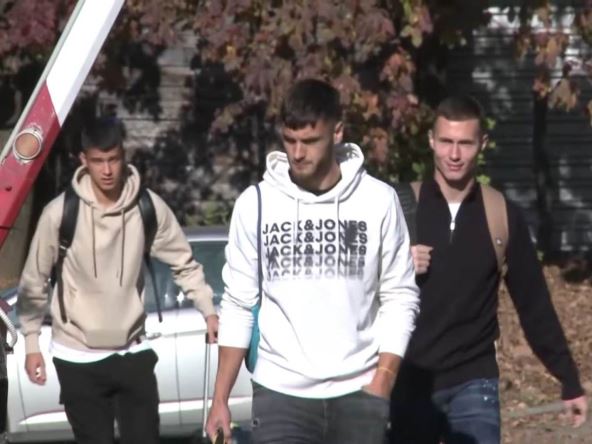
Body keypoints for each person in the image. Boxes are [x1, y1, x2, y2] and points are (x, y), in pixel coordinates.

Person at [205, 78, 420, 444]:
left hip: (359, 392)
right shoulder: (256, 204)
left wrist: (383, 380)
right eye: (290, 140)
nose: (298, 153)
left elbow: (400, 297)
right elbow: (239, 304)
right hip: (280, 395)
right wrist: (220, 399)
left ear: (337, 132)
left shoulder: (378, 201)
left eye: (309, 141)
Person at [389, 95, 588, 443]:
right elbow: (355, 288)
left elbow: (534, 305)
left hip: (474, 382)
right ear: (431, 141)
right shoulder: (398, 206)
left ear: (482, 143)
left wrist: (568, 379)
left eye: (465, 144)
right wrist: (396, 264)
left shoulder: (501, 215)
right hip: (410, 379)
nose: (454, 154)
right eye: (446, 142)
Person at [17, 117, 218, 444]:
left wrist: (208, 310)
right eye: (98, 161)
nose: (107, 170)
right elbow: (34, 279)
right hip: (76, 353)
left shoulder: (147, 207)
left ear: (124, 156)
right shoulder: (60, 213)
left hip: (132, 349)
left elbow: (184, 262)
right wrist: (31, 343)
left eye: (114, 159)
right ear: (84, 161)